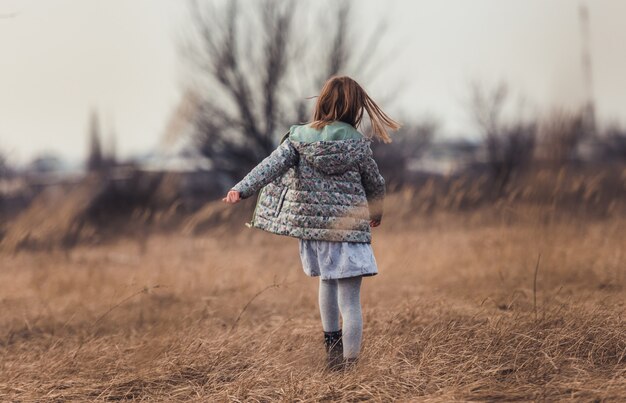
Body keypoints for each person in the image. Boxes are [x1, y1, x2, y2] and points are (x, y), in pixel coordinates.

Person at [222, 75, 400, 370]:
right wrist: (375, 212)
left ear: (323, 102)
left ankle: (332, 358)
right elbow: (376, 183)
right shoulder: (357, 145)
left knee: (326, 282)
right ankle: (351, 367)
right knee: (351, 302)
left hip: (315, 234)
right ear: (355, 108)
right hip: (349, 233)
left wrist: (241, 189)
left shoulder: (298, 139)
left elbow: (270, 166)